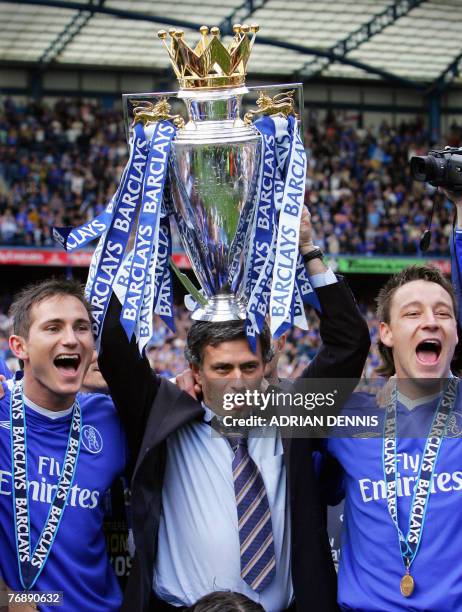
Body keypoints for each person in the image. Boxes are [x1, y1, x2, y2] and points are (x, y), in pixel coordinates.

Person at [99, 206, 370, 612]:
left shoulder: (292, 416)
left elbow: (349, 344)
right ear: (196, 370)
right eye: (222, 368)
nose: (238, 381)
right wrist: (141, 251)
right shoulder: (162, 415)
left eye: (249, 366)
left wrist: (308, 251)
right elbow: (115, 348)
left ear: (266, 367)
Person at [326, 264, 462, 610]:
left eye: (443, 313)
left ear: (456, 333)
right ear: (386, 332)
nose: (430, 321)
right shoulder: (346, 417)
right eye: (413, 312)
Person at [0, 279, 126, 612]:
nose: (70, 339)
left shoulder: (114, 419)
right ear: (19, 347)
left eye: (81, 327)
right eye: (53, 328)